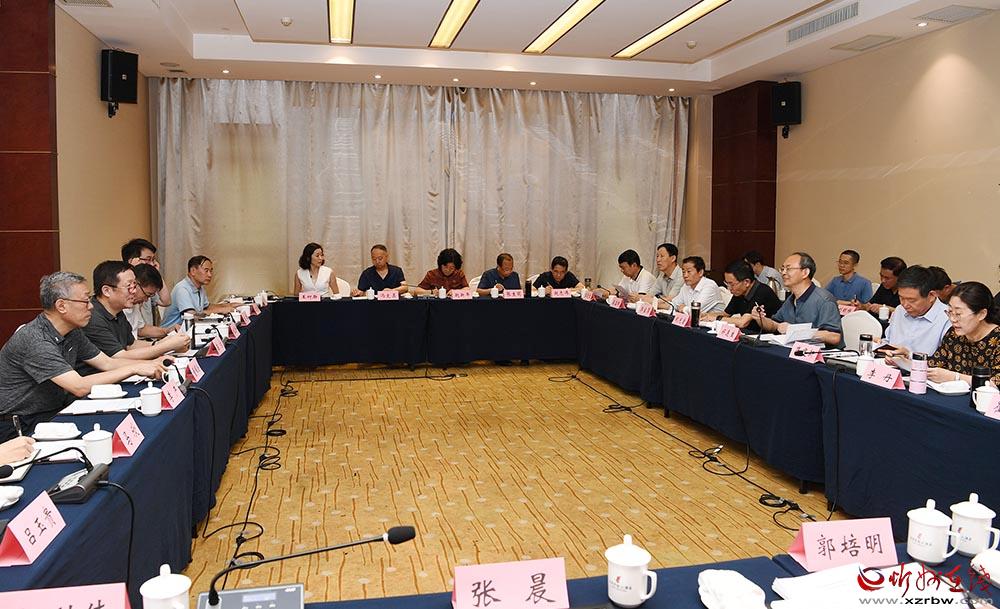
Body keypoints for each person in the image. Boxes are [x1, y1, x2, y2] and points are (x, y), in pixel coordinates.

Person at [0, 272, 166, 441]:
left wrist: (153, 362)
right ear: (61, 306)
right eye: (85, 301)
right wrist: (134, 368)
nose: (91, 306)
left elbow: (107, 363)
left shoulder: (72, 331)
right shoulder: (35, 339)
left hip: (51, 412)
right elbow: (78, 386)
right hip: (19, 425)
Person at [77, 261, 190, 375]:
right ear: (107, 291)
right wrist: (166, 346)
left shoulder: (118, 311)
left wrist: (163, 342)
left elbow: (130, 344)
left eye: (135, 286)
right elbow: (119, 356)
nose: (134, 291)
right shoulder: (92, 317)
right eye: (129, 287)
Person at [755, 252, 843, 347]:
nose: (783, 273)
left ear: (805, 273)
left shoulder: (824, 300)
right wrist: (760, 318)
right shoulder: (791, 299)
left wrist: (795, 331)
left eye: (788, 269)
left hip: (820, 353)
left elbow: (834, 337)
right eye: (782, 269)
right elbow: (775, 325)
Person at [926, 282, 1000, 385]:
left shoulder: (997, 339)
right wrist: (907, 359)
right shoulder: (953, 334)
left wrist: (955, 377)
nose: (952, 319)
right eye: (950, 312)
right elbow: (934, 365)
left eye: (958, 314)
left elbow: (996, 383)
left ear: (981, 314)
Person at [882, 266, 951, 359]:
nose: (905, 305)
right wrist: (879, 345)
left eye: (912, 300)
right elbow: (889, 341)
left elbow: (946, 361)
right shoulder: (899, 310)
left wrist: (909, 356)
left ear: (931, 296)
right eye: (901, 298)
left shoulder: (948, 318)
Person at [161, 256, 237, 327]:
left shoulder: (200, 288)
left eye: (211, 271)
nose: (210, 275)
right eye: (206, 270)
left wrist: (228, 306)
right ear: (193, 271)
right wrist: (220, 310)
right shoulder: (182, 289)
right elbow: (192, 316)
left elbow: (207, 307)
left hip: (190, 329)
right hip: (172, 333)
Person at [711, 260, 781, 331]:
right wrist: (706, 316)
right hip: (750, 333)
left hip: (769, 335)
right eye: (727, 283)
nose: (729, 288)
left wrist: (717, 319)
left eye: (732, 284)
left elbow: (743, 322)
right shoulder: (739, 292)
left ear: (746, 282)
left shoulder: (762, 292)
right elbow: (725, 314)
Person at [121, 238, 172, 327]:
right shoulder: (123, 288)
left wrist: (156, 273)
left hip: (146, 330)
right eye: (148, 259)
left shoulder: (147, 284)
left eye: (153, 260)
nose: (152, 264)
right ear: (132, 261)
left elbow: (166, 301)